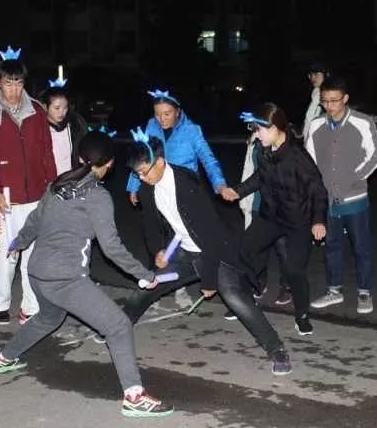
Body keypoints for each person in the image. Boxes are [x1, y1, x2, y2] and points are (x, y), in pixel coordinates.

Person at [0, 131, 173, 417]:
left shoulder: (58, 184)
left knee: (49, 318)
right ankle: (134, 397)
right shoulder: (98, 197)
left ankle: (4, 358)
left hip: (38, 272)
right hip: (66, 279)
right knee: (118, 325)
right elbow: (111, 247)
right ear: (109, 163)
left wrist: (18, 243)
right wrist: (144, 274)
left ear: (79, 158)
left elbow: (35, 220)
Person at [124, 132, 293, 374]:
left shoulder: (186, 184)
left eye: (143, 171)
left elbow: (212, 236)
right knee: (150, 283)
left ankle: (275, 347)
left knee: (234, 297)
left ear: (159, 162)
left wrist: (209, 280)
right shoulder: (146, 188)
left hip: (213, 250)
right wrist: (158, 250)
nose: (141, 177)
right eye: (137, 173)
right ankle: (121, 323)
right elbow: (150, 224)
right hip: (182, 249)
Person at [222, 103, 327, 336]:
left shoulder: (298, 156)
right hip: (270, 216)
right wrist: (238, 191)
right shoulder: (265, 150)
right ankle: (246, 299)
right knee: (243, 251)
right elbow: (260, 177)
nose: (257, 136)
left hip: (298, 221)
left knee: (294, 269)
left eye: (259, 130)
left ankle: (302, 316)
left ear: (274, 128)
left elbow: (318, 190)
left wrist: (318, 220)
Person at [0, 46, 57, 325]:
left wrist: (52, 185)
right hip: (5, 197)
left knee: (34, 253)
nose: (13, 90)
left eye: (18, 83)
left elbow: (47, 152)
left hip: (36, 194)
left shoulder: (37, 111)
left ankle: (31, 306)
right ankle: (0, 303)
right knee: (5, 253)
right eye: (8, 83)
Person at [126, 88, 230, 308]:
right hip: (156, 190)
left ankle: (179, 287)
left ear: (178, 111)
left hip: (183, 196)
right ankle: (154, 287)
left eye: (167, 113)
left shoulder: (192, 130)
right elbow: (142, 158)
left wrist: (219, 184)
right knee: (156, 240)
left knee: (180, 242)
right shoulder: (151, 126)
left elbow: (208, 159)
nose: (161, 119)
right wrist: (134, 186)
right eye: (157, 114)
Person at [307, 77, 377, 314]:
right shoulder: (316, 125)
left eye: (334, 101)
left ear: (345, 99)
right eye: (325, 101)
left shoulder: (362, 122)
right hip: (328, 200)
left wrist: (355, 177)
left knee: (361, 247)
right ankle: (334, 291)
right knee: (331, 246)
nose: (329, 106)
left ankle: (364, 292)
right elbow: (310, 159)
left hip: (354, 198)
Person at [237, 132, 290, 308]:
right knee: (258, 249)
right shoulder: (254, 142)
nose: (254, 128)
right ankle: (258, 282)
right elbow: (251, 171)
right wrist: (242, 196)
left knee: (283, 248)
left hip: (280, 207)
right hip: (258, 202)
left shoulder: (284, 142)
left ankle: (287, 286)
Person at [41, 85, 88, 175]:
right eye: (57, 108)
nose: (62, 112)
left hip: (71, 178)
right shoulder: (39, 129)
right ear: (45, 107)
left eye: (65, 108)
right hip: (49, 179)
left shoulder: (74, 126)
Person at [302, 62, 328, 140]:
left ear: (326, 75)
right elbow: (309, 119)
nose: (312, 77)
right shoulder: (315, 93)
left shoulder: (330, 95)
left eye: (316, 74)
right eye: (310, 75)